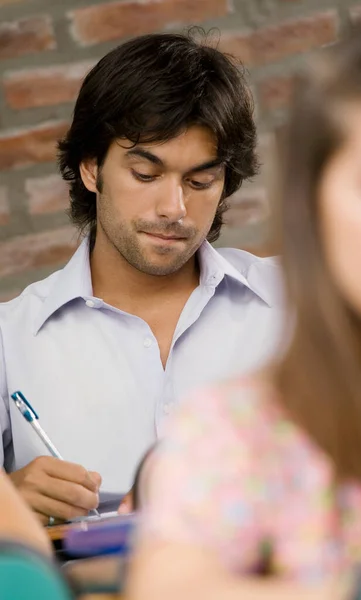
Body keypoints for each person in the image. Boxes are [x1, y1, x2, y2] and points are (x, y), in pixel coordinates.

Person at [127, 14, 361, 600]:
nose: (173, 207)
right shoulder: (242, 431)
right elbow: (168, 583)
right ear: (311, 202)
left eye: (201, 180)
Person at [0, 30, 284, 526]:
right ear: (92, 169)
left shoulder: (293, 301)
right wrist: (8, 503)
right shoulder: (11, 340)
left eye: (200, 181)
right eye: (146, 174)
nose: (174, 209)